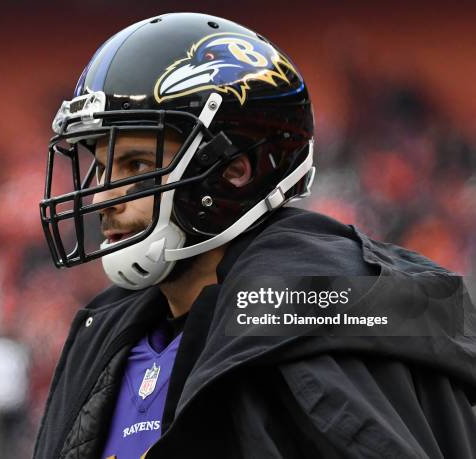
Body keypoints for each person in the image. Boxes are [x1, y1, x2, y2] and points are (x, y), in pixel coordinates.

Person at [33, 13, 476, 459]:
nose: (102, 200)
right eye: (103, 168)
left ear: (232, 173)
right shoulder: (107, 330)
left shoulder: (308, 319)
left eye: (137, 166)